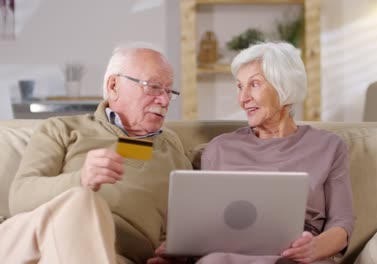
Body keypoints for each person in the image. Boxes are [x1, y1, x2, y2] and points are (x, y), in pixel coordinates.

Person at [150, 42, 355, 264]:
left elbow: (342, 222)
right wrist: (178, 255)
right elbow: (205, 226)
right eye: (239, 86)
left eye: (254, 84)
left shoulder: (328, 146)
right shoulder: (220, 149)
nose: (242, 98)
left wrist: (313, 248)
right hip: (228, 256)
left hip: (297, 257)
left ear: (284, 87)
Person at [0, 42, 192, 264]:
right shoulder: (63, 130)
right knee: (82, 201)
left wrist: (175, 255)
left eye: (169, 91)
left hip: (114, 257)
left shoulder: (174, 155)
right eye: (154, 87)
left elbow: (178, 231)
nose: (165, 100)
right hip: (33, 243)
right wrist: (80, 180)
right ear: (113, 86)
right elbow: (20, 197)